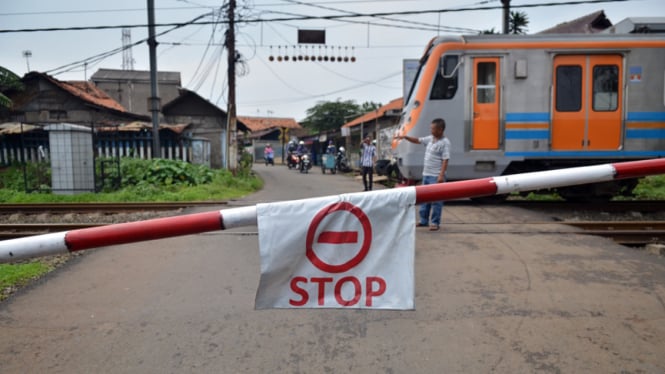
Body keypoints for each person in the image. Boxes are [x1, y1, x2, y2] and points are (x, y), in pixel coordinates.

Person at [394, 118, 450, 231]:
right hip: (427, 175)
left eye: (433, 129)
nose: (431, 130)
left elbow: (445, 160)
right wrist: (405, 137)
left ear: (440, 129)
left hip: (436, 176)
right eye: (431, 128)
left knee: (436, 201)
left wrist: (441, 175)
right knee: (425, 199)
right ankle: (423, 220)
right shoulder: (430, 139)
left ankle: (435, 222)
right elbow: (418, 140)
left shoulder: (445, 143)